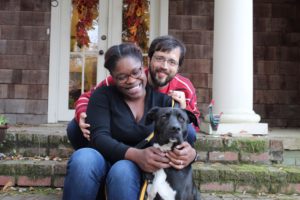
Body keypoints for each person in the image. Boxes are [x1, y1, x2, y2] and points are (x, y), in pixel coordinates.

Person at [62, 43, 197, 200]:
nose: (131, 80)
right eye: (122, 77)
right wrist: (136, 154)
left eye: (136, 72)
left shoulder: (164, 103)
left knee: (123, 170)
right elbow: (99, 137)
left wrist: (192, 154)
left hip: (139, 169)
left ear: (143, 66)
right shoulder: (103, 95)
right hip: (103, 160)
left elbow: (178, 136)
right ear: (112, 76)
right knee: (83, 159)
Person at [67, 35, 200, 150]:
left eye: (172, 62)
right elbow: (86, 97)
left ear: (178, 67)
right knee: (74, 127)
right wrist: (83, 114)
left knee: (190, 131)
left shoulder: (185, 87)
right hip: (121, 135)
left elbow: (195, 124)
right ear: (149, 59)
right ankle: (94, 162)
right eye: (159, 58)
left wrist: (183, 110)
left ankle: (172, 167)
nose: (164, 66)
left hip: (156, 142)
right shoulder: (129, 75)